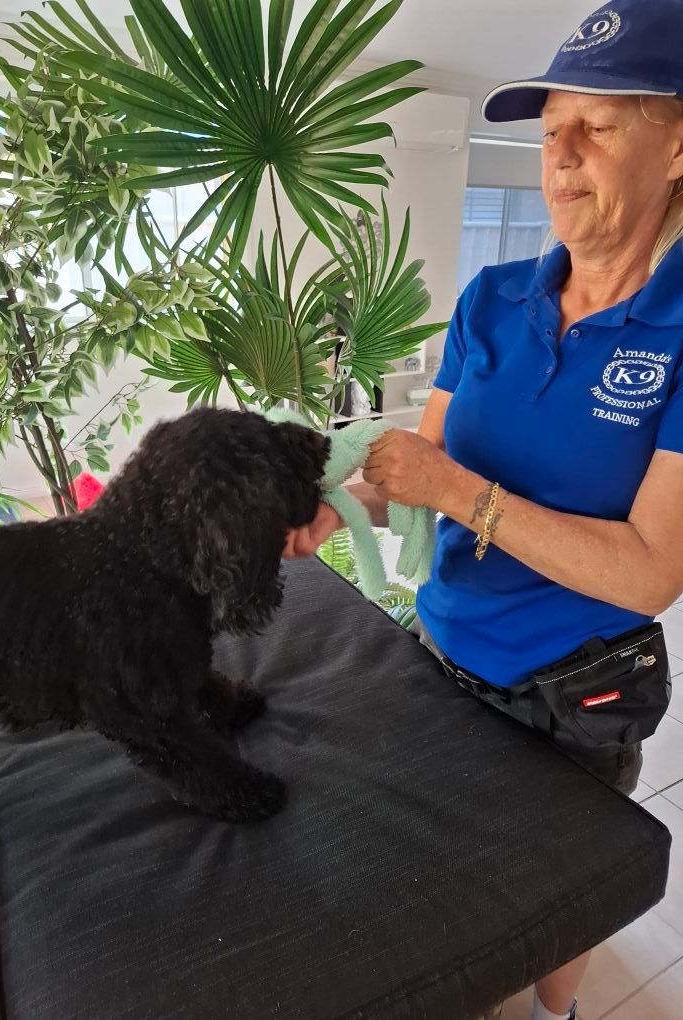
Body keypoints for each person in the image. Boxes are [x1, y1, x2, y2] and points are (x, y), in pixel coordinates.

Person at [285, 1, 683, 1018]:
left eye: (593, 127)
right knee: (447, 888)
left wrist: (456, 492)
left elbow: (648, 569)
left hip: (574, 689)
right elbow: (412, 469)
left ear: (676, 139)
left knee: (560, 900)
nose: (558, 159)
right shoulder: (489, 298)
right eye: (548, 131)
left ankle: (556, 1014)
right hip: (441, 643)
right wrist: (333, 508)